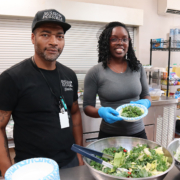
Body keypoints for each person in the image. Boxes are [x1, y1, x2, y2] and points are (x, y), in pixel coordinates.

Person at [0, 9, 83, 177]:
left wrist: (79, 153)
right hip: (32, 169)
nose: (54, 42)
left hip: (70, 163)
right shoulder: (12, 78)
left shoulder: (69, 75)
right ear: (33, 38)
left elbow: (74, 113)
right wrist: (7, 171)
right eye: (45, 35)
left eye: (59, 36)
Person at [83, 21, 151, 140]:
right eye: (114, 39)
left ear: (128, 42)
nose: (120, 43)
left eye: (124, 39)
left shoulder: (137, 68)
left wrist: (146, 103)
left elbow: (146, 95)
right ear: (106, 42)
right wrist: (100, 112)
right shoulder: (95, 72)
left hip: (138, 133)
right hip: (109, 135)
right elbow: (87, 107)